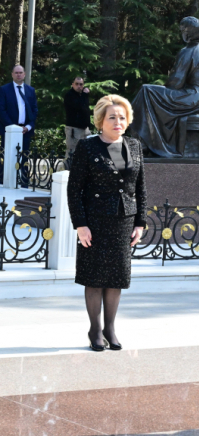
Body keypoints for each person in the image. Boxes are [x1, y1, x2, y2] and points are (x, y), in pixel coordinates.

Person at [67, 95, 148, 352]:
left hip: (124, 221)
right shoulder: (87, 147)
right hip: (95, 221)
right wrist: (80, 224)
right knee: (95, 278)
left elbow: (140, 187)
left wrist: (140, 222)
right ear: (101, 120)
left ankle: (110, 328)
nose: (118, 122)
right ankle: (95, 329)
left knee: (116, 278)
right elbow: (74, 189)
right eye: (112, 117)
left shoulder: (135, 146)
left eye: (122, 117)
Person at [131, 16, 199, 158]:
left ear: (187, 31)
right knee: (149, 92)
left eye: (182, 30)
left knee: (146, 90)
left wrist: (163, 88)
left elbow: (176, 83)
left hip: (191, 97)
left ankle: (143, 141)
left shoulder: (189, 50)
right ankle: (146, 141)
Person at [0, 65, 38, 186]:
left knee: (25, 157)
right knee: (7, 157)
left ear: (24, 74)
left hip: (25, 130)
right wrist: (13, 128)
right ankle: (4, 182)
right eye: (16, 72)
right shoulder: (4, 90)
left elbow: (34, 110)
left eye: (20, 72)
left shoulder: (30, 90)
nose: (18, 75)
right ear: (12, 74)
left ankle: (24, 183)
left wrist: (28, 126)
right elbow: (1, 110)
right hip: (10, 130)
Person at [63, 76, 92, 158]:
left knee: (86, 152)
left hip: (85, 129)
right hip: (74, 129)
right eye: (77, 84)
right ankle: (67, 170)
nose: (79, 86)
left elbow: (85, 109)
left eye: (81, 84)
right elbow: (79, 106)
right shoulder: (69, 95)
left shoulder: (82, 96)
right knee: (72, 152)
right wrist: (84, 95)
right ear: (73, 84)